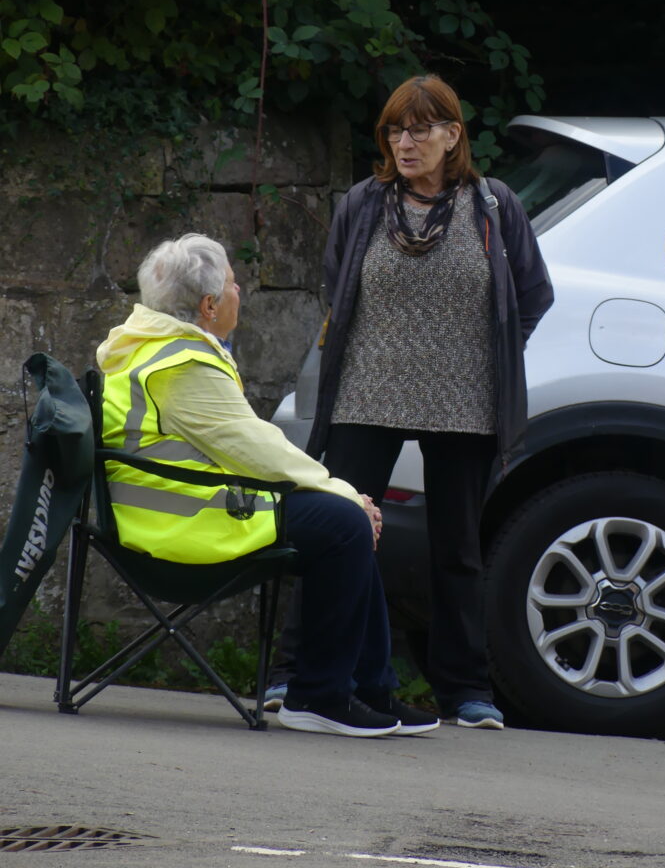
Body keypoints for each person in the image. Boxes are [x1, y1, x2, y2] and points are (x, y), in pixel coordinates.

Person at [266, 73, 554, 729]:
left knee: (457, 549)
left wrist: (491, 354)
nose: (405, 142)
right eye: (395, 130)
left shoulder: (493, 205)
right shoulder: (364, 203)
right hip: (366, 393)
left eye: (420, 129)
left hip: (465, 401)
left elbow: (533, 295)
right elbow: (338, 287)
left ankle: (465, 690)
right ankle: (297, 673)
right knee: (337, 530)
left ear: (453, 135)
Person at [96, 233, 439, 739]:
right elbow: (258, 451)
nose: (241, 292)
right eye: (234, 284)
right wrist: (345, 492)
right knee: (344, 522)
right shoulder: (182, 366)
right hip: (180, 527)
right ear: (209, 305)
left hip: (172, 514)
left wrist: (338, 494)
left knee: (341, 519)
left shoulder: (149, 344)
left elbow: (245, 450)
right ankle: (319, 695)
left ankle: (369, 687)